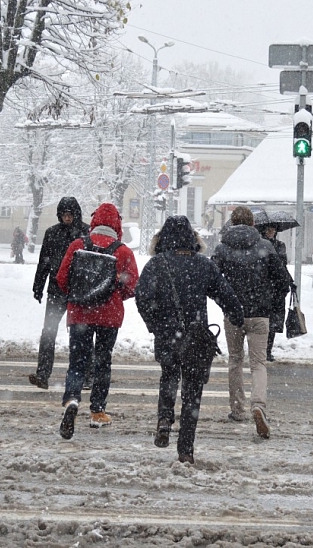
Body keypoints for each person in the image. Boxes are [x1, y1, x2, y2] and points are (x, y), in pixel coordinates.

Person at [135, 216, 243, 464]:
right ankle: (185, 450)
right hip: (196, 338)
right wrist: (236, 314)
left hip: (167, 335)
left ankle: (164, 419)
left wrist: (155, 325)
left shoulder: (157, 264)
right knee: (193, 392)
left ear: (163, 238)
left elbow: (141, 296)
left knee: (169, 376)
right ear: (192, 238)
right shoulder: (203, 265)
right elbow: (224, 293)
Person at [55, 203, 139, 439]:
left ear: (94, 222)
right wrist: (113, 294)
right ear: (117, 224)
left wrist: (80, 295)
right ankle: (97, 411)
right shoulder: (122, 252)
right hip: (108, 317)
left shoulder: (78, 245)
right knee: (103, 361)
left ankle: (72, 399)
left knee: (77, 361)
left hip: (80, 314)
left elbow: (62, 278)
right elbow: (132, 284)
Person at [212, 207, 291, 439]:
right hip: (260, 314)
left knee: (235, 360)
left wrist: (226, 303)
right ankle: (259, 405)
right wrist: (268, 298)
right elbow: (283, 281)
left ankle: (237, 409)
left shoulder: (222, 248)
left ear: (232, 223)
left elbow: (211, 281)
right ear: (253, 224)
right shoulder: (265, 247)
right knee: (259, 363)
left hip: (233, 315)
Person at [29, 197, 89, 390]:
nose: (67, 218)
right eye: (64, 214)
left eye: (70, 214)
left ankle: (88, 376)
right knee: (49, 332)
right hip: (56, 290)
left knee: (82, 334)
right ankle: (43, 374)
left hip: (79, 292)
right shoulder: (52, 233)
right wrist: (38, 285)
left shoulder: (86, 234)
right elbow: (44, 261)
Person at [260, 223, 293, 362]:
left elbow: (282, 263)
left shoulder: (280, 245)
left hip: (277, 288)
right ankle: (261, 350)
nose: (271, 232)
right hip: (263, 287)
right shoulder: (258, 245)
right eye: (268, 230)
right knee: (262, 321)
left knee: (273, 322)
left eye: (273, 230)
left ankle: (268, 350)